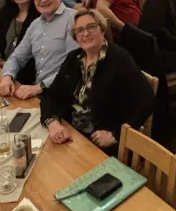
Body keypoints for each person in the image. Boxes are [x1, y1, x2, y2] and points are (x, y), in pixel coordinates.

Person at [40, 9, 154, 155]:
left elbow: (147, 99)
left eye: (91, 27)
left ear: (102, 29)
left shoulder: (119, 59)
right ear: (75, 37)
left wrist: (116, 134)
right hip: (70, 134)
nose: (85, 34)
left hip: (101, 143)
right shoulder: (73, 59)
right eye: (79, 30)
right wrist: (52, 122)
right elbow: (51, 95)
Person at [0, 0, 79, 99]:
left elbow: (74, 66)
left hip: (65, 93)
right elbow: (17, 57)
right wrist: (6, 77)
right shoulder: (35, 25)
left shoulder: (74, 19)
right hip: (40, 92)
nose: (43, 0)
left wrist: (39, 87)